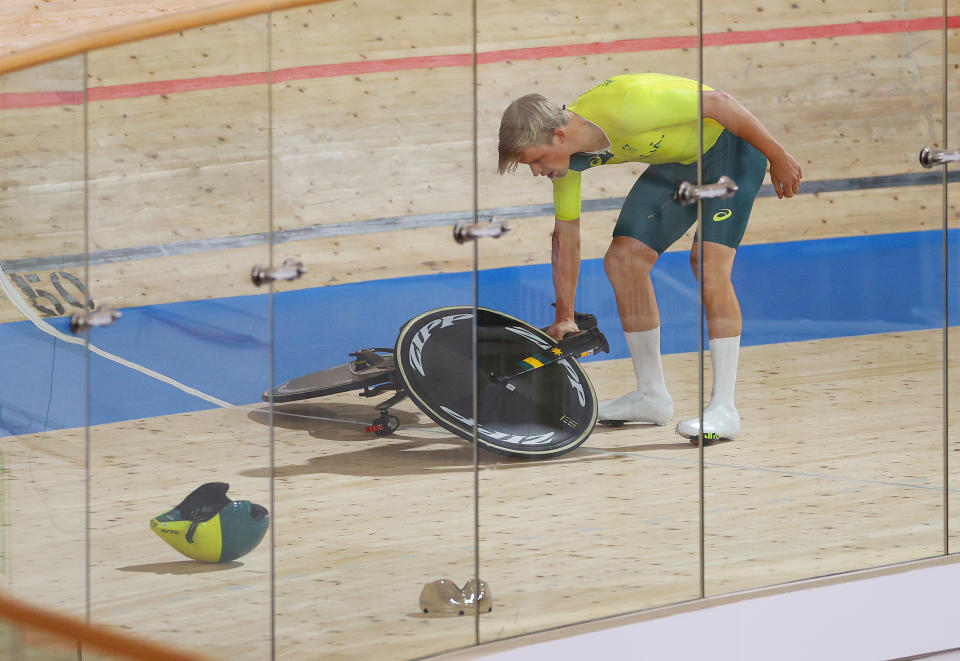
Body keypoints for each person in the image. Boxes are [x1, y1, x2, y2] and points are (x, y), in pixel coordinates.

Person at [497, 73, 802, 441]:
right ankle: (650, 396)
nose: (536, 171)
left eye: (537, 159)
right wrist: (565, 316)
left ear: (558, 135)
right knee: (624, 262)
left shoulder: (629, 107)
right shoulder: (568, 161)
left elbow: (721, 102)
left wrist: (778, 156)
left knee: (707, 265)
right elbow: (566, 237)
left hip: (730, 151)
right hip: (679, 166)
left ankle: (725, 410)